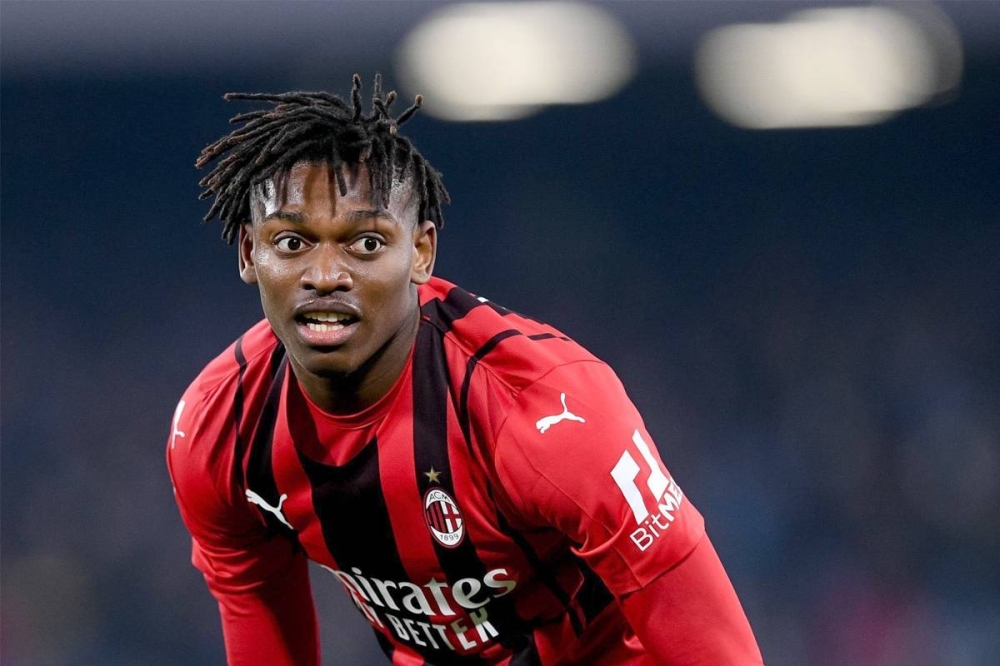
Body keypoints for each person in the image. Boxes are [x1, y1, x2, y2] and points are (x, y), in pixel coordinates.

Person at [167, 74, 764, 665]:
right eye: (292, 243)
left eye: (367, 243)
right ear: (249, 252)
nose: (325, 276)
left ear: (421, 253)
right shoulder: (219, 430)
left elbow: (717, 651)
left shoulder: (548, 413)